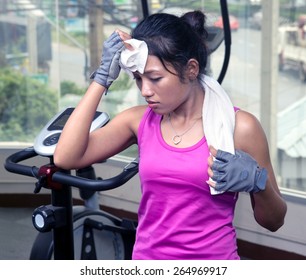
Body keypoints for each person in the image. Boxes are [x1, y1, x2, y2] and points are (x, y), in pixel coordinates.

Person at [54, 10, 287, 260]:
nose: (145, 90)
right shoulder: (139, 120)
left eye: (155, 78)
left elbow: (273, 222)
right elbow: (66, 157)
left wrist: (258, 182)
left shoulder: (239, 127)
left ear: (191, 69)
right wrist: (101, 79)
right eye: (138, 78)